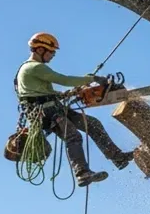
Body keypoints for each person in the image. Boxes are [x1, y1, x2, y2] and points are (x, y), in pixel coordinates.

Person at [15, 32, 133, 187]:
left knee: (92, 124)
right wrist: (92, 78)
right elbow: (64, 80)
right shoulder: (34, 67)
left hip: (55, 108)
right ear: (40, 50)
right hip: (47, 113)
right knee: (73, 136)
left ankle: (117, 157)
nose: (53, 56)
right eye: (51, 52)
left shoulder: (31, 69)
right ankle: (82, 173)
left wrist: (66, 93)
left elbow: (43, 92)